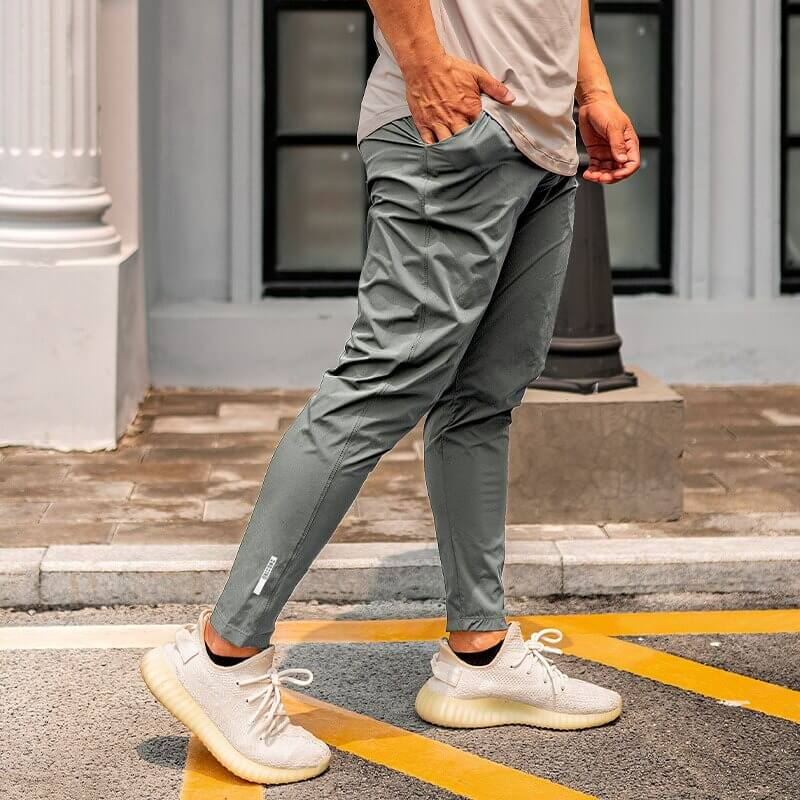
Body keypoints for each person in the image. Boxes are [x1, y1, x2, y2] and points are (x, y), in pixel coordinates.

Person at [140, 0, 640, 785]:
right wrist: (421, 60)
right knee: (378, 384)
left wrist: (593, 90)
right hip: (456, 129)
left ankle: (477, 654)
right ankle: (221, 653)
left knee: (482, 400)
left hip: (545, 149)